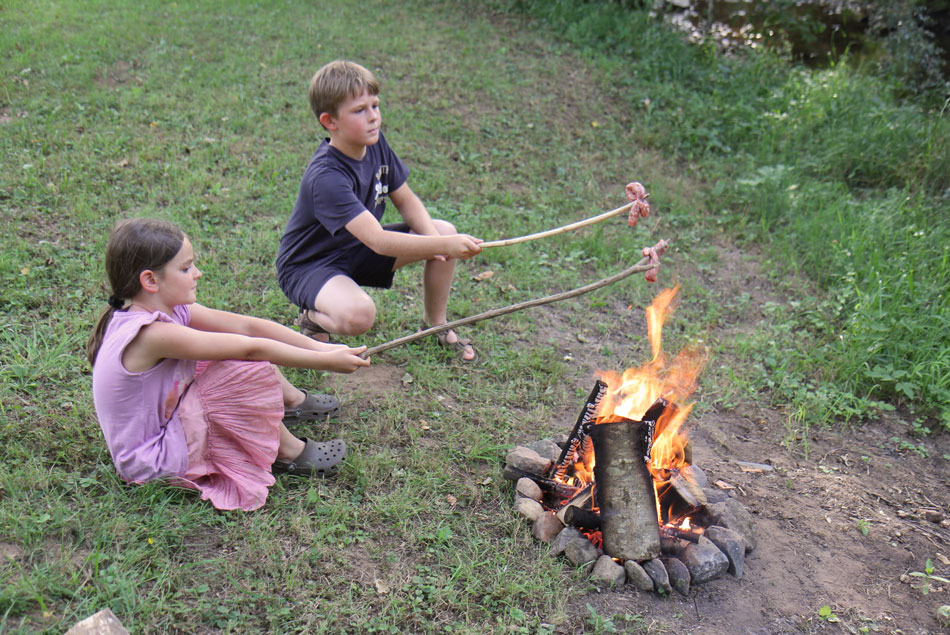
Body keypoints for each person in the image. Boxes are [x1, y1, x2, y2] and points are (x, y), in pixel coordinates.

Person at [88, 218, 370, 511]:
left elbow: (247, 328)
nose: (197, 273)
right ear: (150, 281)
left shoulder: (165, 309)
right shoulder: (152, 334)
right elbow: (251, 349)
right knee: (245, 371)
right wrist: (325, 361)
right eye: (186, 268)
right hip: (151, 458)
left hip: (166, 413)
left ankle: (291, 402)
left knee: (229, 355)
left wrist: (322, 347)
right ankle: (288, 452)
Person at [276, 60, 483, 362]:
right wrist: (442, 246)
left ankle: (435, 323)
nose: (373, 117)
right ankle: (313, 317)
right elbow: (379, 241)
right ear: (330, 121)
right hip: (311, 266)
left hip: (356, 249)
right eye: (360, 110)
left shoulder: (375, 144)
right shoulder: (327, 177)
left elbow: (406, 200)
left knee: (443, 230)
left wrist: (436, 241)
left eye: (375, 105)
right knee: (359, 316)